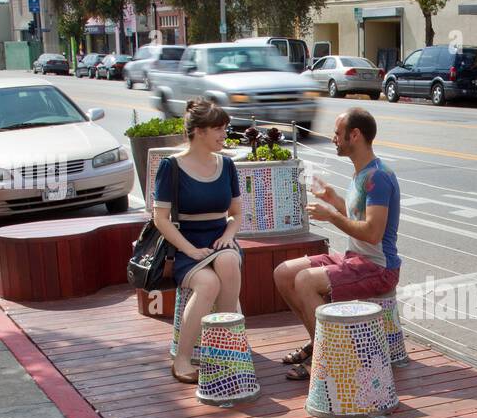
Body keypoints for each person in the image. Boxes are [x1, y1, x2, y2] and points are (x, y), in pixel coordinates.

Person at [274, 108, 401, 380]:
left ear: (354, 135)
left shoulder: (378, 177)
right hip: (354, 258)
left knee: (306, 281)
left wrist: (331, 216)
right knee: (283, 273)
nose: (333, 138)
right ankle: (318, 343)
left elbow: (372, 233)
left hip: (378, 267)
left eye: (337, 133)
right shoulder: (362, 174)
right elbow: (359, 219)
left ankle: (329, 357)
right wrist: (335, 201)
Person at [152, 99, 244, 384]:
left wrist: (228, 237)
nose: (224, 135)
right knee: (208, 283)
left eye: (225, 129)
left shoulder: (227, 165)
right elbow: (161, 219)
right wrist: (190, 249)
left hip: (219, 240)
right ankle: (182, 357)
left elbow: (237, 214)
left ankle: (224, 347)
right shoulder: (171, 167)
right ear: (199, 132)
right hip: (186, 246)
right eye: (218, 129)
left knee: (229, 261)